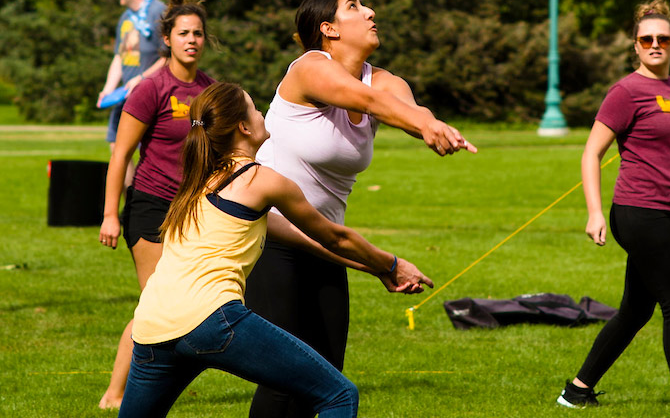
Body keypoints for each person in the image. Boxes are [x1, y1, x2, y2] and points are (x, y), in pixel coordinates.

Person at [117, 82, 433, 418]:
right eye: (255, 108)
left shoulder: (197, 183)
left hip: (151, 327)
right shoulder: (260, 180)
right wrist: (394, 262)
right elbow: (334, 236)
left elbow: (307, 240)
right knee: (338, 396)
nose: (261, 113)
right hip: (212, 319)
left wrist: (380, 270)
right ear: (243, 127)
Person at [247, 0, 475, 418]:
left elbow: (402, 105)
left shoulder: (383, 80)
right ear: (328, 30)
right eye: (353, 6)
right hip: (272, 238)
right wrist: (423, 124)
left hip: (329, 243)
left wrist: (430, 124)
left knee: (328, 379)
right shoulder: (310, 68)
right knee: (282, 382)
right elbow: (369, 103)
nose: (370, 11)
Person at [558, 0, 670, 417]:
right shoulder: (626, 91)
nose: (655, 45)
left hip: (668, 214)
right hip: (638, 211)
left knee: (636, 309)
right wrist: (595, 211)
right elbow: (591, 153)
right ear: (635, 46)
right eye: (646, 39)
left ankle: (577, 390)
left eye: (663, 38)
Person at [97, 0, 217, 409]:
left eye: (198, 33)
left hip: (190, 212)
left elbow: (210, 151)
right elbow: (121, 155)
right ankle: (115, 394)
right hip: (149, 205)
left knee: (184, 303)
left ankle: (153, 388)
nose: (192, 40)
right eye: (183, 33)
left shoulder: (208, 91)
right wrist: (111, 214)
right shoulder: (152, 89)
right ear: (167, 38)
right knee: (156, 303)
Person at [98, 0, 168, 162]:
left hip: (153, 95)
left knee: (149, 157)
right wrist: (108, 89)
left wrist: (142, 78)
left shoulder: (159, 11)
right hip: (125, 96)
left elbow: (169, 57)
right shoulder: (126, 17)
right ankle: (128, 194)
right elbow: (120, 57)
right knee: (117, 152)